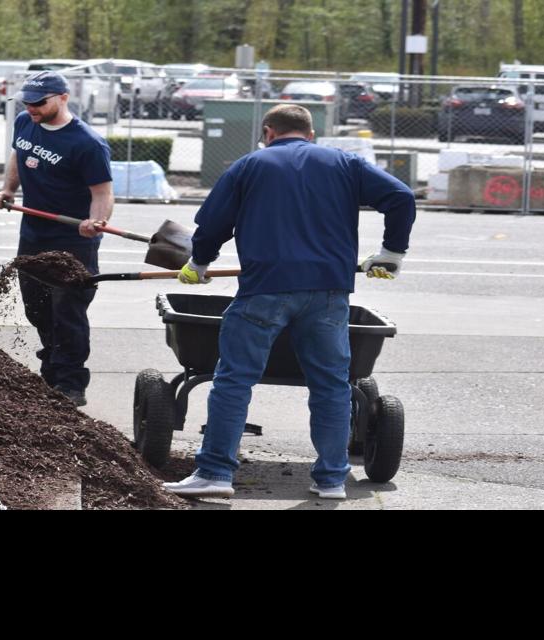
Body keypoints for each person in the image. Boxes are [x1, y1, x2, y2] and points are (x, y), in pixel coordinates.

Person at [163, 104, 415, 502]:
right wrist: (391, 253)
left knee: (233, 380)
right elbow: (400, 197)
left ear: (268, 132)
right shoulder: (345, 163)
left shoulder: (250, 165)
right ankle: (332, 480)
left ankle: (214, 473)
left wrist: (199, 262)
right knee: (332, 385)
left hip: (265, 289)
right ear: (310, 134)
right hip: (329, 293)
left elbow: (213, 222)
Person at [0, 71, 113, 408]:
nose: (32, 108)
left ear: (63, 98)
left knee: (67, 309)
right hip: (33, 232)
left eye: (39, 102)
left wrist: (97, 220)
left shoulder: (87, 143)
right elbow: (18, 154)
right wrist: (8, 190)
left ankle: (71, 382)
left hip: (73, 239)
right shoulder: (27, 123)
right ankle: (51, 370)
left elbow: (102, 192)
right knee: (37, 306)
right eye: (27, 101)